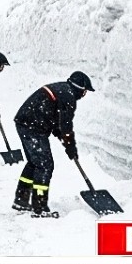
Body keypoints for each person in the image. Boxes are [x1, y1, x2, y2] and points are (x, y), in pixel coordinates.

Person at [12, 71, 94, 218]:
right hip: (33, 126)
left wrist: (61, 136)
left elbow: (55, 117)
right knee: (45, 165)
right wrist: (70, 145)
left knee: (34, 163)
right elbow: (66, 124)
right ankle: (40, 207)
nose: (84, 94)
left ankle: (21, 200)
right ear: (80, 89)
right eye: (85, 91)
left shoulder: (63, 89)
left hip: (25, 122)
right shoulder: (68, 97)